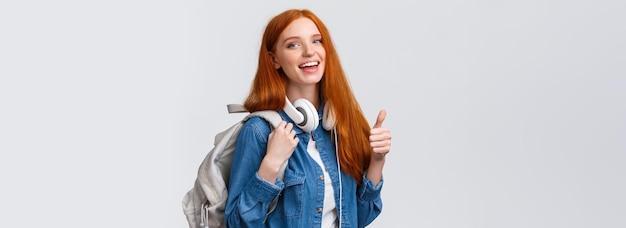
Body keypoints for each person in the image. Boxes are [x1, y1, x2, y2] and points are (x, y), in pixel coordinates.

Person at [224, 8, 392, 228]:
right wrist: (271, 163)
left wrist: (376, 161)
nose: (309, 52)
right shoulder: (260, 131)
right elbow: (236, 224)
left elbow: (359, 218)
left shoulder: (337, 125)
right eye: (294, 44)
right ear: (274, 60)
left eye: (316, 41)